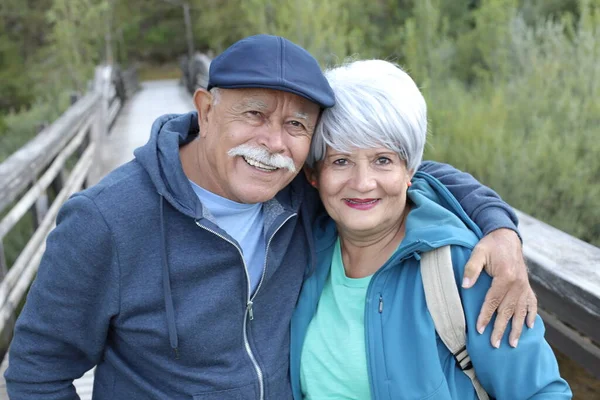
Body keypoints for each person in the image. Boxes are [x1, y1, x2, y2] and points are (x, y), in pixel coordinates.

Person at [6, 35, 533, 399]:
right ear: (206, 110)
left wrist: (500, 226)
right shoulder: (107, 222)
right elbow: (36, 372)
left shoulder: (302, 191)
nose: (273, 144)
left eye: (296, 125)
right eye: (254, 114)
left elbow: (404, 169)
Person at [290, 59, 571, 399]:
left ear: (411, 170)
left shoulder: (463, 267)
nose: (363, 183)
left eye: (383, 160)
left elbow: (540, 392)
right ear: (314, 175)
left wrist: (502, 229)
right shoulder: (301, 247)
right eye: (341, 161)